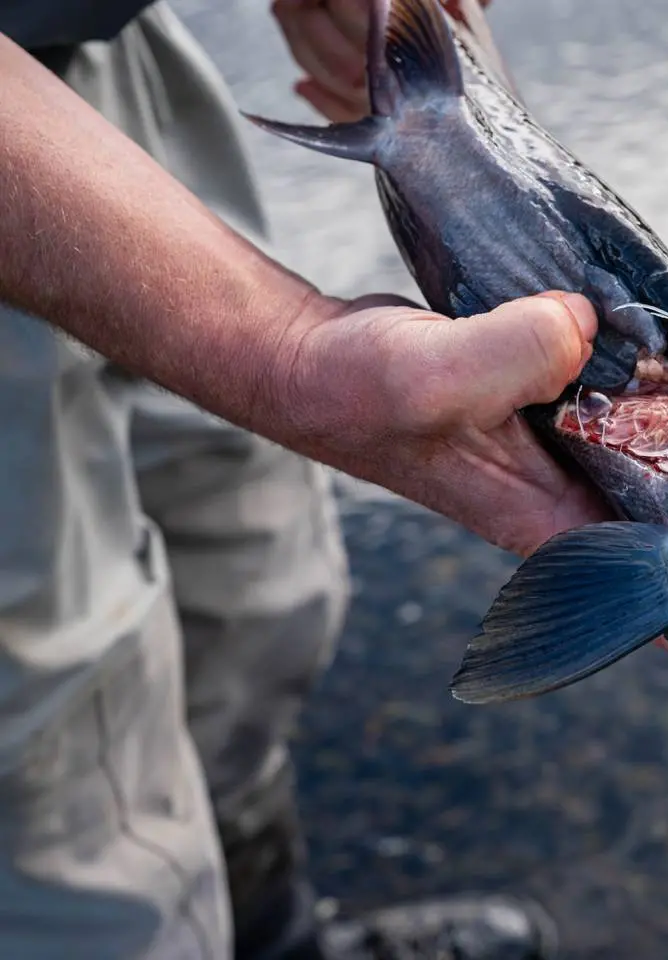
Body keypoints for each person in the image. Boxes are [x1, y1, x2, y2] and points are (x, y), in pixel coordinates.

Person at [0, 0, 610, 957]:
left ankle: (266, 931)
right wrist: (278, 354)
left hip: (97, 41)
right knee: (47, 732)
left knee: (247, 568)